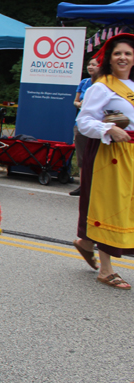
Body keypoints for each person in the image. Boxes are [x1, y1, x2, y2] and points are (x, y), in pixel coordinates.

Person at [74, 33, 134, 290]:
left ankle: (86, 243)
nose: (123, 57)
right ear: (109, 58)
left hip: (131, 153)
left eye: (128, 53)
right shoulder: (102, 86)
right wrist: (108, 130)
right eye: (117, 53)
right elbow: (84, 122)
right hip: (110, 154)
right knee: (109, 206)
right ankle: (106, 270)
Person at [69, 58, 100, 196]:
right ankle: (83, 186)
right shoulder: (84, 82)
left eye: (94, 64)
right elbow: (75, 101)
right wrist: (79, 104)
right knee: (82, 157)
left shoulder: (107, 84)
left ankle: (97, 186)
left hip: (99, 125)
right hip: (81, 124)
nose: (90, 66)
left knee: (97, 157)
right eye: (89, 64)